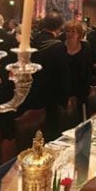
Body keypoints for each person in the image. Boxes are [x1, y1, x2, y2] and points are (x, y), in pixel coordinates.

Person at [22, 11, 71, 140]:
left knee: (32, 130)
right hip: (51, 95)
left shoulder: (32, 40)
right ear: (60, 26)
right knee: (50, 132)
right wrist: (65, 100)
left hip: (31, 91)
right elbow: (63, 75)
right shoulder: (58, 46)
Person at [65, 21, 94, 123]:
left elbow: (89, 68)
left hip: (82, 87)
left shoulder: (86, 47)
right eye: (68, 31)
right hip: (65, 87)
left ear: (79, 33)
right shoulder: (61, 47)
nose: (70, 34)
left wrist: (88, 86)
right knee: (67, 118)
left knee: (82, 117)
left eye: (73, 31)